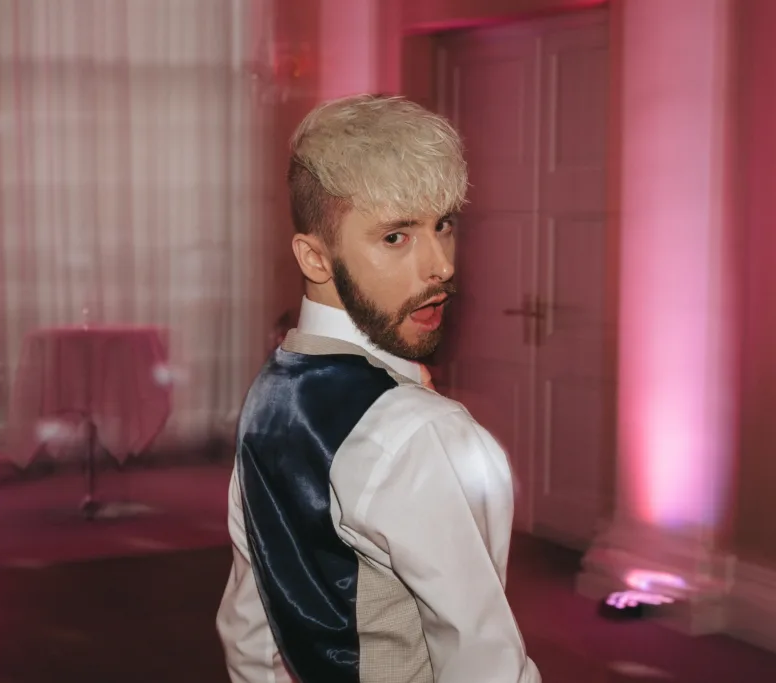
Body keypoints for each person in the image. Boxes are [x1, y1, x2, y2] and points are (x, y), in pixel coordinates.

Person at [217, 94, 540, 683]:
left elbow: (251, 627)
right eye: (397, 237)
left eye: (442, 225)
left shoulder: (272, 392)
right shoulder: (420, 433)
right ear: (315, 257)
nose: (440, 264)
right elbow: (483, 662)